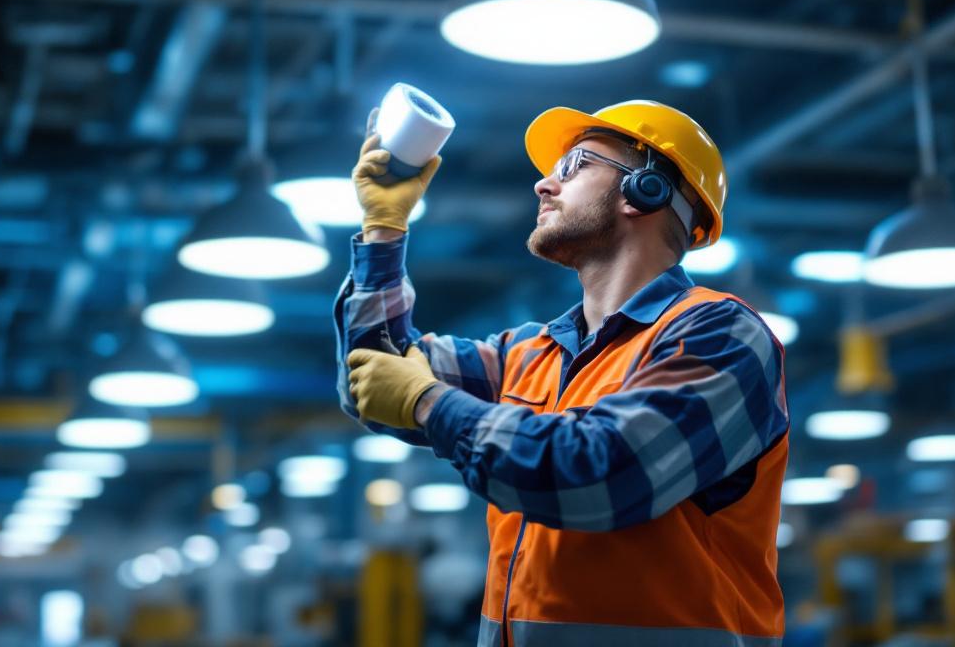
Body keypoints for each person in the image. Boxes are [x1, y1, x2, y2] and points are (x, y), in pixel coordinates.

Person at [335, 100, 790, 646]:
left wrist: (430, 403)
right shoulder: (529, 353)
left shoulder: (720, 334)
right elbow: (372, 376)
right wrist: (384, 230)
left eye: (574, 166)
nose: (543, 185)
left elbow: (602, 473)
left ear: (645, 191)